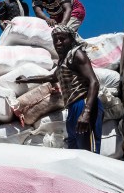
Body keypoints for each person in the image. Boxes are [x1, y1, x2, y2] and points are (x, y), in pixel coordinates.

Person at [15, 25, 103, 153]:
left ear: (71, 40)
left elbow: (94, 82)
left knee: (89, 153)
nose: (58, 43)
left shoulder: (77, 54)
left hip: (84, 103)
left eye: (62, 39)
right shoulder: (63, 61)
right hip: (72, 108)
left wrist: (86, 112)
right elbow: (52, 77)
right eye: (55, 40)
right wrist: (27, 79)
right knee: (75, 152)